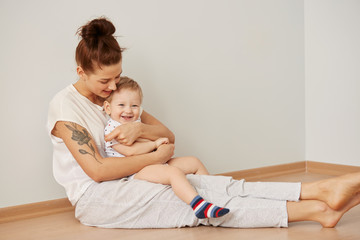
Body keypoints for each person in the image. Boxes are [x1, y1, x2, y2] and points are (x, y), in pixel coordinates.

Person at [47, 16, 360, 229]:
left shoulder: (114, 101)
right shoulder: (65, 107)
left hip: (132, 179)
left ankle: (318, 193)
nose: (114, 88)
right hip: (98, 198)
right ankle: (317, 206)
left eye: (117, 77)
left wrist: (140, 129)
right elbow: (98, 170)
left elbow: (167, 134)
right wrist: (156, 157)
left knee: (207, 185)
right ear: (81, 72)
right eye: (106, 80)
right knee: (191, 201)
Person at [103, 76, 229, 219]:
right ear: (108, 107)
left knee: (193, 162)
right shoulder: (112, 129)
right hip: (134, 171)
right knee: (173, 173)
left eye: (134, 106)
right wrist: (155, 144)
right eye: (121, 105)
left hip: (153, 162)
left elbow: (161, 135)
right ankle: (199, 206)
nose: (129, 110)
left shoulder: (136, 122)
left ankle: (217, 194)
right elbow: (131, 152)